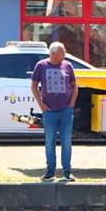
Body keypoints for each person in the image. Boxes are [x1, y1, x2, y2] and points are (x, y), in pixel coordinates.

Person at [30, 42, 78, 181]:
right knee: (50, 141)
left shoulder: (68, 66)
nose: (65, 54)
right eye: (62, 52)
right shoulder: (41, 65)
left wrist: (72, 104)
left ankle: (67, 171)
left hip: (66, 111)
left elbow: (75, 86)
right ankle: (50, 171)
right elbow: (33, 86)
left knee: (66, 142)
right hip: (49, 111)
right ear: (53, 53)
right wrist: (41, 104)